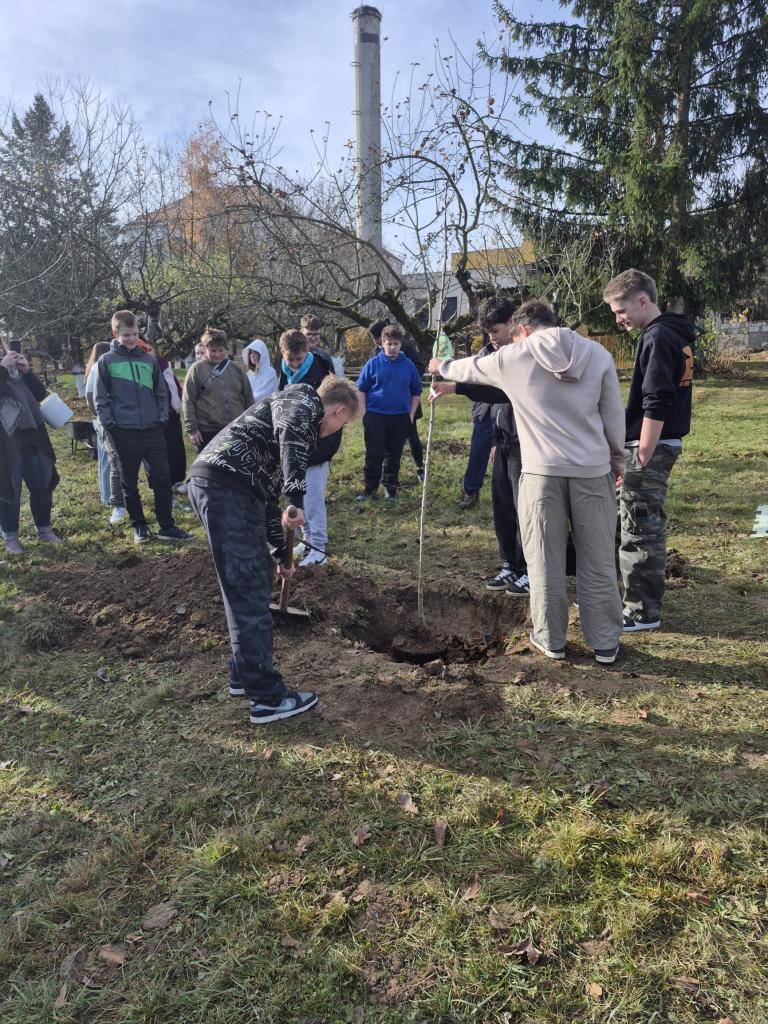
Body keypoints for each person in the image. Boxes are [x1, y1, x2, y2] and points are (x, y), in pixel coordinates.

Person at [430, 299, 626, 665]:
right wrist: (617, 459)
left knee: (543, 560)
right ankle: (605, 643)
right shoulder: (597, 354)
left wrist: (440, 365)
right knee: (598, 558)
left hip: (539, 474)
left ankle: (551, 639)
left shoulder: (513, 358)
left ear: (520, 330)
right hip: (593, 470)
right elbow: (613, 413)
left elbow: (468, 368)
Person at [187, 376, 359, 725]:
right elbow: (292, 435)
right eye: (343, 423)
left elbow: (266, 500)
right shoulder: (303, 400)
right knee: (247, 587)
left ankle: (242, 674)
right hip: (225, 487)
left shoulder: (283, 428)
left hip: (230, 488)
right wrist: (295, 498)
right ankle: (266, 698)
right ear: (339, 410)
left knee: (251, 578)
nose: (338, 430)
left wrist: (282, 556)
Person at [603, 269, 695, 632]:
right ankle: (627, 596)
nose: (618, 318)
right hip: (658, 443)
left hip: (651, 446)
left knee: (640, 525)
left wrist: (640, 453)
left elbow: (657, 400)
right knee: (635, 520)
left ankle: (642, 612)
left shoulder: (657, 337)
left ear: (643, 300)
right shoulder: (674, 332)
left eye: (620, 310)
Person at [433, 297, 528, 596]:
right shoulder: (490, 352)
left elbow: (502, 393)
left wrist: (454, 379)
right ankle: (509, 564)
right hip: (500, 440)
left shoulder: (523, 355)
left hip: (526, 442)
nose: (492, 338)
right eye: (487, 333)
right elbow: (485, 395)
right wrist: (455, 387)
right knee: (502, 507)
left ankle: (527, 569)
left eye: (496, 331)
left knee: (523, 508)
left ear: (513, 322)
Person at [94, 310, 193, 545]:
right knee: (129, 483)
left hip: (152, 430)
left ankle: (166, 526)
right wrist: (111, 425)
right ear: (115, 333)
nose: (131, 339)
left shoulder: (148, 360)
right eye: (126, 334)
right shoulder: (106, 361)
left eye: (135, 334)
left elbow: (161, 393)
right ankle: (139, 526)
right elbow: (100, 398)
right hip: (123, 432)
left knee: (162, 478)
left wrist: (160, 419)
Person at [277, 330, 337, 567]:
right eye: (289, 359)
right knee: (298, 493)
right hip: (295, 445)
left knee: (312, 499)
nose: (293, 364)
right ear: (282, 353)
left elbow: (329, 412)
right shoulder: (284, 370)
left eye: (298, 360)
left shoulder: (320, 370)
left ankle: (318, 548)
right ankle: (308, 539)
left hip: (318, 445)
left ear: (306, 353)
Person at [0, 342, 61, 554]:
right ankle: (10, 538)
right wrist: (3, 369)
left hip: (33, 434)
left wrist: (26, 371)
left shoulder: (11, 362)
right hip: (6, 441)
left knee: (42, 481)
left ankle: (44, 530)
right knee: (11, 489)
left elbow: (39, 394)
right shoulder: (4, 367)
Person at [356, 324, 423, 502]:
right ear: (382, 344)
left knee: (394, 454)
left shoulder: (409, 365)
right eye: (388, 344)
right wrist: (364, 414)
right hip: (376, 416)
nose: (392, 348)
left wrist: (410, 415)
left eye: (395, 344)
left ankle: (390, 488)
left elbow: (416, 391)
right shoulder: (372, 364)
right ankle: (370, 489)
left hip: (400, 417)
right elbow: (360, 389)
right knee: (374, 453)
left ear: (401, 344)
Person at [368, 318, 426, 483]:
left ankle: (420, 468)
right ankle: (386, 474)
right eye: (374, 340)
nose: (375, 342)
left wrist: (405, 381)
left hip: (406, 402)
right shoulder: (377, 351)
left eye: (375, 338)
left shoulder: (405, 347)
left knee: (411, 434)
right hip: (383, 407)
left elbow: (420, 366)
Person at [182, 328, 252, 453]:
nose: (217, 354)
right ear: (205, 349)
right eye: (213, 350)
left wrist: (250, 423)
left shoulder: (236, 369)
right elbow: (188, 401)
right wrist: (192, 429)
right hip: (207, 431)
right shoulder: (197, 370)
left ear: (226, 349)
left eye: (221, 350)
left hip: (236, 428)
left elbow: (248, 397)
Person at [85, 341, 126, 524]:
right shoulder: (99, 368)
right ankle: (109, 496)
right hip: (105, 420)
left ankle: (107, 495)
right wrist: (101, 416)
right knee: (108, 461)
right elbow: (90, 396)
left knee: (105, 460)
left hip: (102, 419)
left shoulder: (94, 367)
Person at [139, 338, 187, 491]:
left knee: (176, 449)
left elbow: (174, 386)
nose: (147, 352)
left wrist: (178, 399)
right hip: (153, 418)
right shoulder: (140, 366)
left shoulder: (164, 364)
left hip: (171, 414)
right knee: (156, 455)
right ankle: (159, 485)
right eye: (143, 350)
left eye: (149, 349)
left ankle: (176, 481)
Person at [242, 338, 278, 403]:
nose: (252, 356)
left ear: (262, 353)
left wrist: (248, 399)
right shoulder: (249, 374)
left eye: (255, 353)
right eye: (250, 353)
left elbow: (266, 395)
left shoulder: (270, 372)